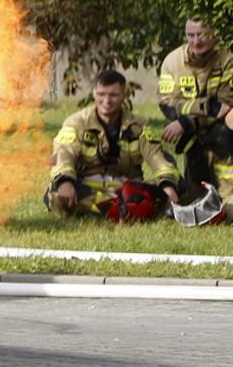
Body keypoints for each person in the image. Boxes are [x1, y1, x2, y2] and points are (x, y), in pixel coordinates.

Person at [47, 69, 180, 219]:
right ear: (93, 94)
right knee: (56, 195)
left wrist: (167, 187)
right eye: (101, 94)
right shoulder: (76, 123)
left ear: (124, 95)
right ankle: (127, 209)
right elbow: (64, 154)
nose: (107, 101)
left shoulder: (139, 125)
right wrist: (66, 181)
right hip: (86, 188)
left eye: (113, 95)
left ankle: (114, 208)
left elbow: (157, 157)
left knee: (177, 185)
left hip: (126, 188)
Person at [157, 18, 233, 197]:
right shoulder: (172, 62)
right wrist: (206, 107)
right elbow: (167, 103)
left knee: (225, 130)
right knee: (193, 195)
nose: (196, 41)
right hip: (189, 130)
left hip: (221, 126)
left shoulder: (228, 59)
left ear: (215, 35)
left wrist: (188, 122)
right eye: (190, 35)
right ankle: (192, 190)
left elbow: (226, 105)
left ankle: (227, 194)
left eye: (202, 35)